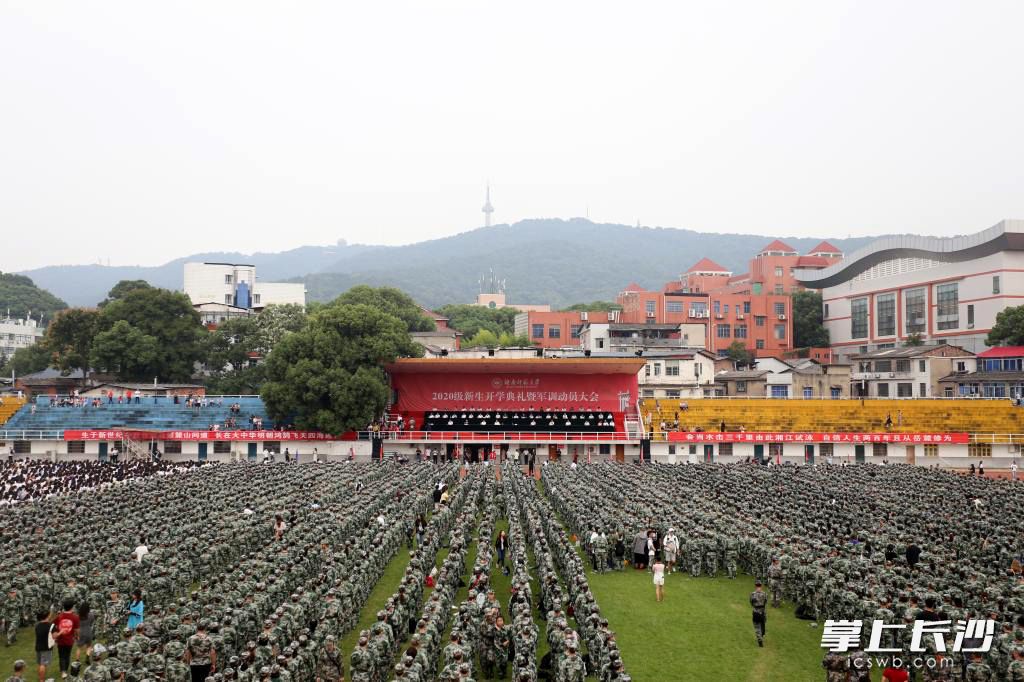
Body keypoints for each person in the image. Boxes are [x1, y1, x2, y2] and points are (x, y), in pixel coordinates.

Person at [52, 600, 80, 678]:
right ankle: (65, 670)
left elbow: (53, 625)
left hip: (60, 639)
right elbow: (77, 630)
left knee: (61, 656)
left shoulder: (59, 616)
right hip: (69, 640)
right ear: (72, 607)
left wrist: (56, 633)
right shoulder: (75, 617)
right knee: (67, 655)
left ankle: (63, 671)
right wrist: (77, 636)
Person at [33, 611, 51, 682]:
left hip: (38, 646)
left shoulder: (37, 625)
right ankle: (42, 680)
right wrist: (61, 632)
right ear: (46, 616)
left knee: (40, 663)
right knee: (43, 664)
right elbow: (54, 635)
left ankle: (40, 677)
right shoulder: (49, 626)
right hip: (45, 647)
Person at [750, 581, 768, 647]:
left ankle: (759, 639)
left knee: (757, 627)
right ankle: (762, 635)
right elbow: (766, 602)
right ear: (761, 586)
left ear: (755, 586)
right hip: (763, 611)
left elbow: (751, 603)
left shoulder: (752, 594)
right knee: (762, 624)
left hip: (756, 612)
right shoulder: (765, 594)